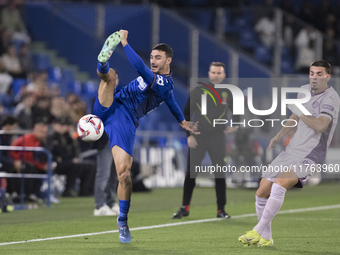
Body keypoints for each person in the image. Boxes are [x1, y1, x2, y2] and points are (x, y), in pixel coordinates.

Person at [93, 30, 198, 243]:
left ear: (168, 60)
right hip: (112, 104)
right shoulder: (162, 86)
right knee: (110, 75)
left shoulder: (164, 84)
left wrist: (125, 43)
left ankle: (122, 221)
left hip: (125, 119)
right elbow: (172, 103)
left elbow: (164, 94)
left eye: (157, 57)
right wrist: (181, 119)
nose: (152, 61)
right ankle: (102, 61)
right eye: (151, 57)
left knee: (124, 175)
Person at [238, 60, 339, 247]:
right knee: (261, 191)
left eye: (319, 74)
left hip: (311, 153)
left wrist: (300, 113)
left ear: (327, 76)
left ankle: (256, 231)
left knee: (279, 185)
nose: (314, 77)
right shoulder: (304, 90)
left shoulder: (331, 99)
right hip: (291, 149)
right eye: (311, 73)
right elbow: (294, 116)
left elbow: (320, 126)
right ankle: (266, 238)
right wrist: (279, 135)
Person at [172, 62, 239, 220]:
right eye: (213, 72)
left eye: (219, 73)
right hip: (198, 137)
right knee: (191, 173)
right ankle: (185, 207)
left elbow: (237, 111)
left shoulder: (228, 94)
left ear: (223, 75)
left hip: (218, 138)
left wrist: (236, 125)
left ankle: (221, 210)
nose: (216, 75)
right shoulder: (198, 92)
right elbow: (186, 114)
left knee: (220, 175)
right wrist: (189, 136)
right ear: (209, 74)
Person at [93, 132, 119, 216]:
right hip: (106, 142)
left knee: (113, 176)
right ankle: (100, 206)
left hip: (119, 142)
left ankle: (110, 203)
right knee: (103, 174)